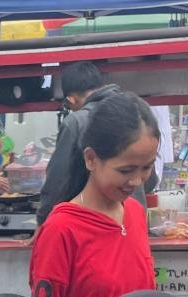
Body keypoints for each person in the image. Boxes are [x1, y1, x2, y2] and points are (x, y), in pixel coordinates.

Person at [28, 92, 157, 297]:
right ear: (91, 159)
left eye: (146, 168)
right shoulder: (62, 228)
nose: (137, 181)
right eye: (126, 170)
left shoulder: (135, 213)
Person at [36, 64, 123, 224]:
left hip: (94, 223)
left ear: (71, 100)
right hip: (132, 222)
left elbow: (58, 180)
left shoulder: (76, 122)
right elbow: (150, 180)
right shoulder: (133, 112)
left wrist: (43, 220)